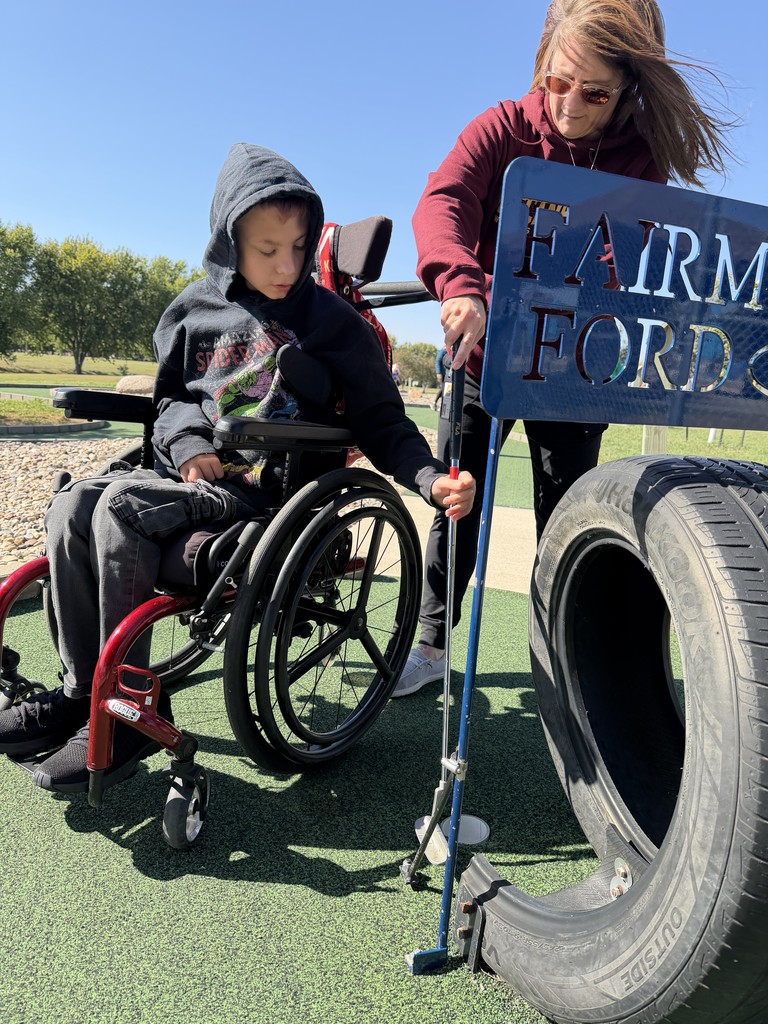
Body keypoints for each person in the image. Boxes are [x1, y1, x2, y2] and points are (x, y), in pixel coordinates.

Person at [0, 143, 475, 788]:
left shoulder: (333, 324)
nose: (286, 266)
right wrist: (188, 442)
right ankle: (86, 692)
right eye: (266, 250)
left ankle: (131, 708)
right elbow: (169, 401)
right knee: (71, 504)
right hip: (189, 476)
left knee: (117, 508)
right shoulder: (193, 311)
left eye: (299, 248)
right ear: (229, 241)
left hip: (267, 500)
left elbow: (383, 421)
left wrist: (428, 476)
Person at [393, 0, 735, 697]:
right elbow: (444, 202)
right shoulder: (501, 126)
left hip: (572, 366)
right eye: (557, 82)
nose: (570, 106)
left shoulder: (641, 157)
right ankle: (429, 644)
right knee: (459, 505)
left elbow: (633, 256)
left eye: (596, 93)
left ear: (628, 92)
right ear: (541, 61)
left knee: (570, 517)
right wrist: (461, 286)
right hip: (482, 358)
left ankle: (564, 663)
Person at [432, 347, 451, 412]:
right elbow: (438, 361)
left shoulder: (451, 351)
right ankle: (436, 403)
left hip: (449, 374)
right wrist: (438, 372)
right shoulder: (443, 351)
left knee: (446, 389)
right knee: (444, 389)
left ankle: (437, 403)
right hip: (443, 374)